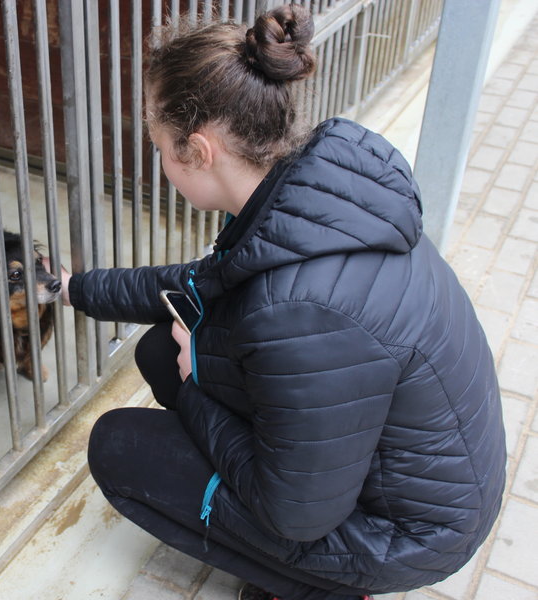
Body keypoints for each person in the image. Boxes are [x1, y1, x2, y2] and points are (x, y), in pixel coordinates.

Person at [51, 4, 506, 600]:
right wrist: (75, 289)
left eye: (157, 144)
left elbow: (292, 514)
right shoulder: (314, 189)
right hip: (413, 470)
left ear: (198, 151)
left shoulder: (298, 309)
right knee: (162, 349)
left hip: (404, 534)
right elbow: (196, 284)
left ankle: (317, 590)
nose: (158, 161)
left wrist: (193, 387)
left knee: (118, 447)